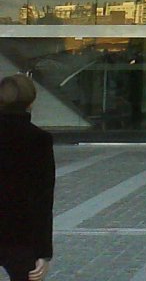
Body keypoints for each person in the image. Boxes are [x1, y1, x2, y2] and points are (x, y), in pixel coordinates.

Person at [0, 73, 55, 281]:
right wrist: (43, 252)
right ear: (31, 103)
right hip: (21, 236)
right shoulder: (39, 140)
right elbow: (43, 199)